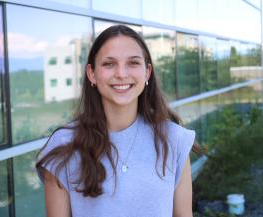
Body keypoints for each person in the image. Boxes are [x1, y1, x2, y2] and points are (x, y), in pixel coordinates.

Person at [36, 25, 196, 217]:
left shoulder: (174, 138)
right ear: (91, 74)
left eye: (133, 63)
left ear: (147, 72)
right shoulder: (64, 145)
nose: (121, 73)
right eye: (109, 64)